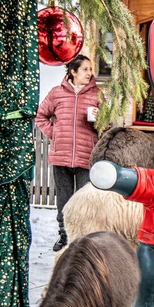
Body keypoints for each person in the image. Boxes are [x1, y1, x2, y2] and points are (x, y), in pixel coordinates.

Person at [35, 54, 101, 251]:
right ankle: (64, 236)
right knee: (64, 199)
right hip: (61, 156)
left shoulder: (97, 95)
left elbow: (107, 125)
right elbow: (41, 116)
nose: (90, 73)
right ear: (73, 72)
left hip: (86, 156)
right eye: (85, 69)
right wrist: (54, 134)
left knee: (84, 201)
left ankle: (81, 239)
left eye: (91, 69)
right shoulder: (57, 93)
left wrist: (99, 122)